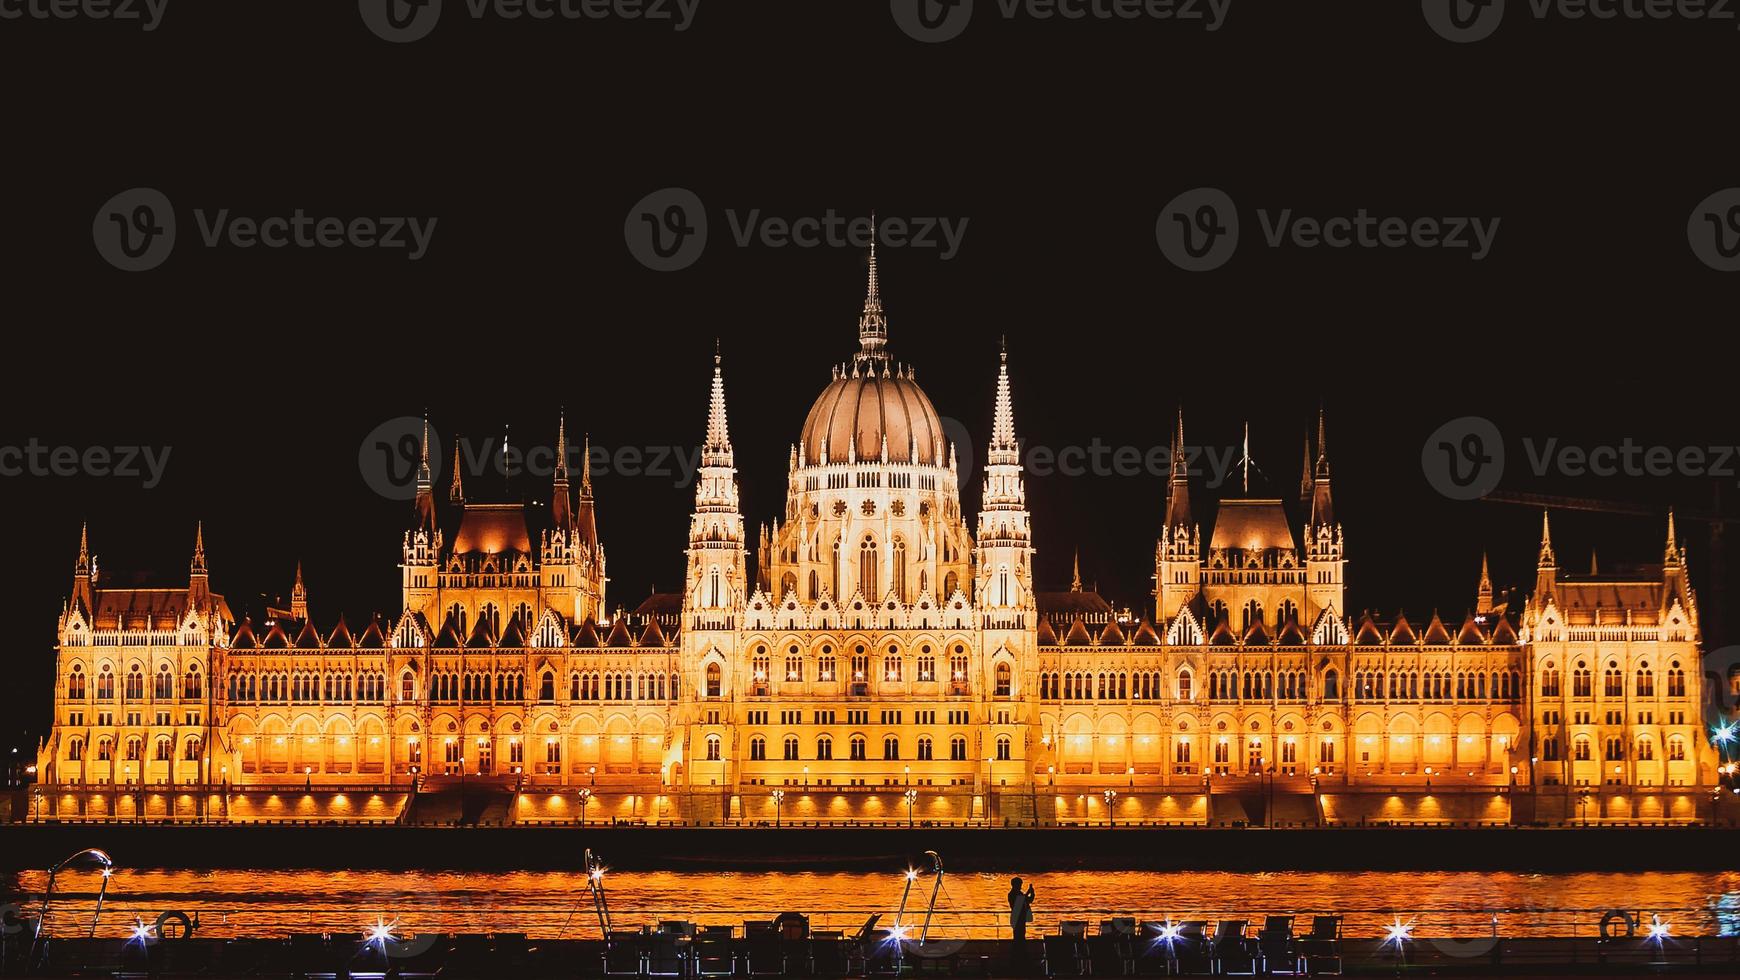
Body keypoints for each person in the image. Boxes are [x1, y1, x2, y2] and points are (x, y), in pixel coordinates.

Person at [1008, 876, 1036, 959]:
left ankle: (1021, 954)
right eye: (1020, 884)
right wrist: (1028, 893)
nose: (1021, 886)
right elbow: (1020, 902)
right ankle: (1018, 955)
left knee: (1021, 936)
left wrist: (1032, 893)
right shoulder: (1012, 894)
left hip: (1020, 918)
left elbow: (1028, 900)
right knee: (1018, 937)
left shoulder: (1019, 893)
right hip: (1017, 919)